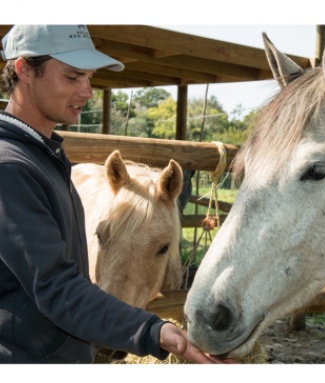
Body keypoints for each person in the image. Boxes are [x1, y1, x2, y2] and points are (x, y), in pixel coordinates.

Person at [0, 25, 229, 363]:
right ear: (24, 70)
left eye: (89, 78)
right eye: (73, 77)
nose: (88, 91)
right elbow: (55, 286)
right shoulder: (11, 168)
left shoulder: (45, 157)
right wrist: (153, 331)